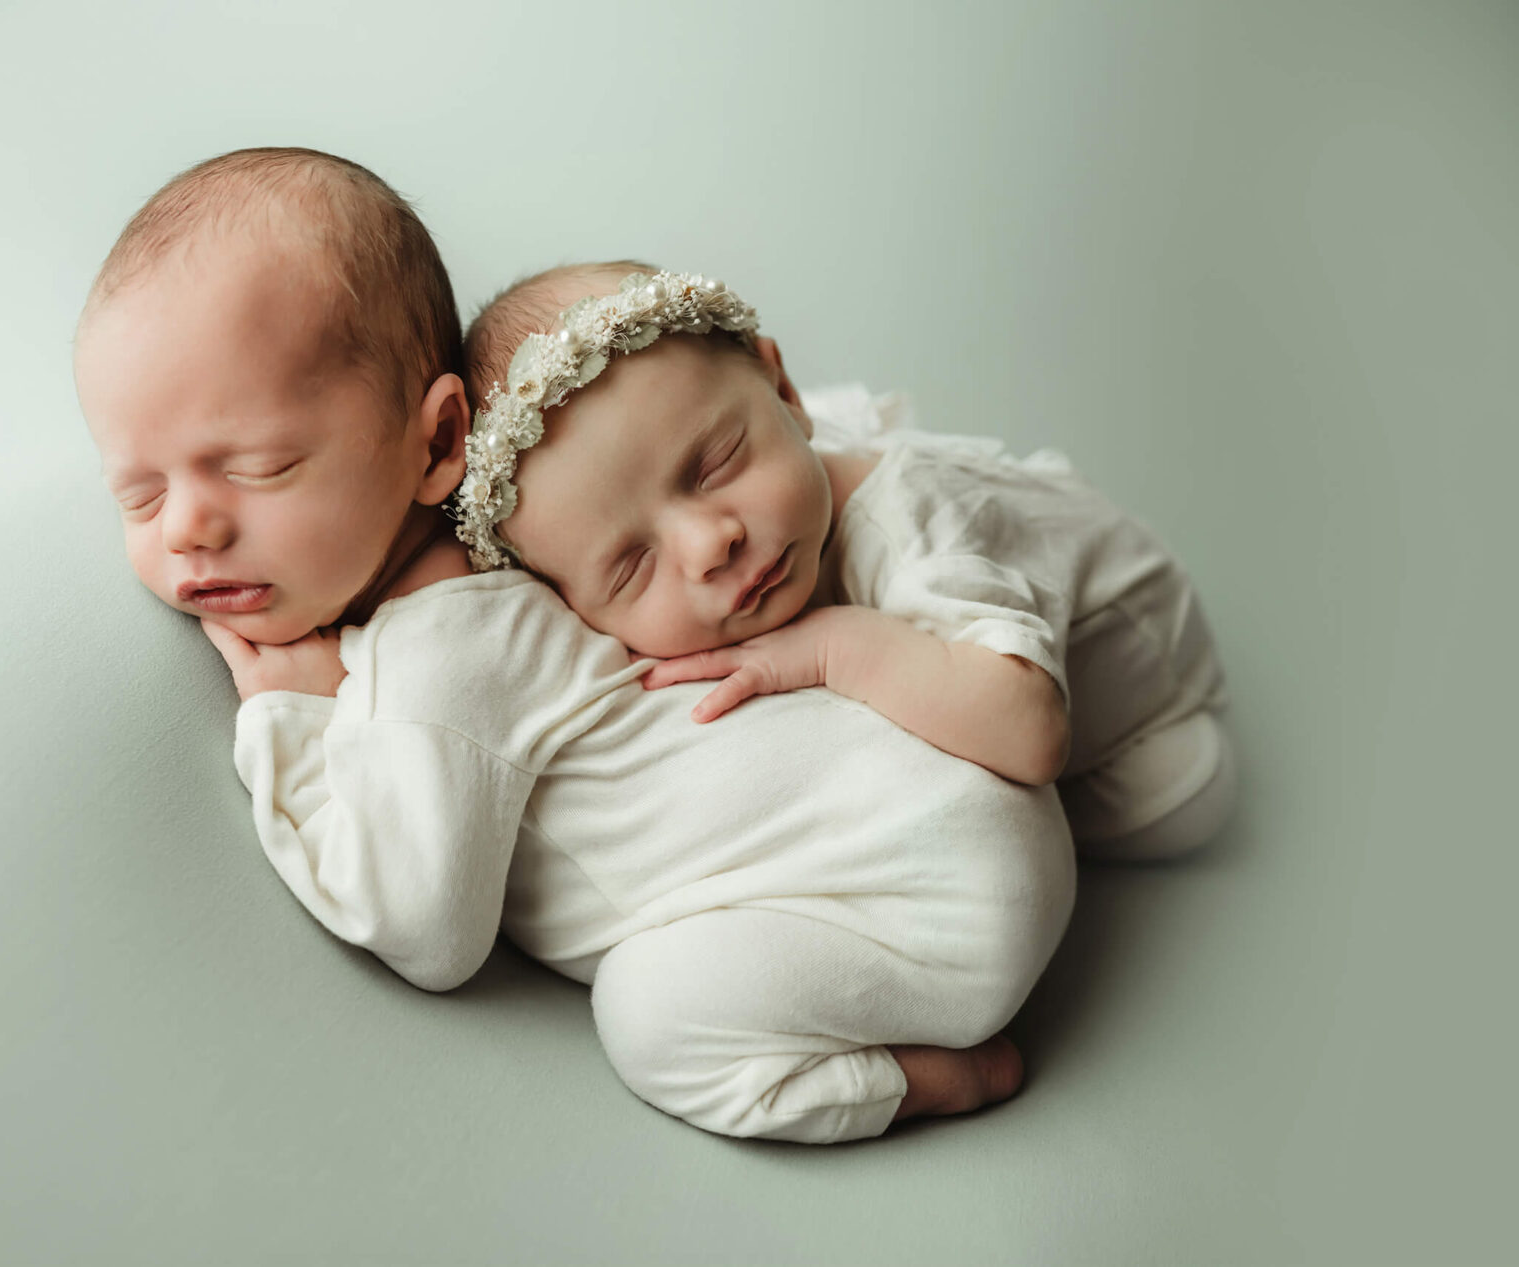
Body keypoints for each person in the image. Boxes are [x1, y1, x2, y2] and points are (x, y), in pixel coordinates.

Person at [75, 148, 1075, 1144]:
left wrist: (291, 722)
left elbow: (426, 932)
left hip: (916, 894)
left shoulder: (446, 652)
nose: (189, 530)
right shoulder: (529, 538)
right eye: (140, 494)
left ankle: (925, 1079)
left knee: (648, 1016)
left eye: (258, 466)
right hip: (949, 817)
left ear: (436, 443)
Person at [461, 262, 1235, 862]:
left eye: (717, 462)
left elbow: (1031, 730)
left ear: (785, 388)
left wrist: (832, 647)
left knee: (1185, 794)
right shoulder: (758, 502)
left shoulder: (909, 525)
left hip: (1152, 690)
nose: (708, 544)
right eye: (631, 566)